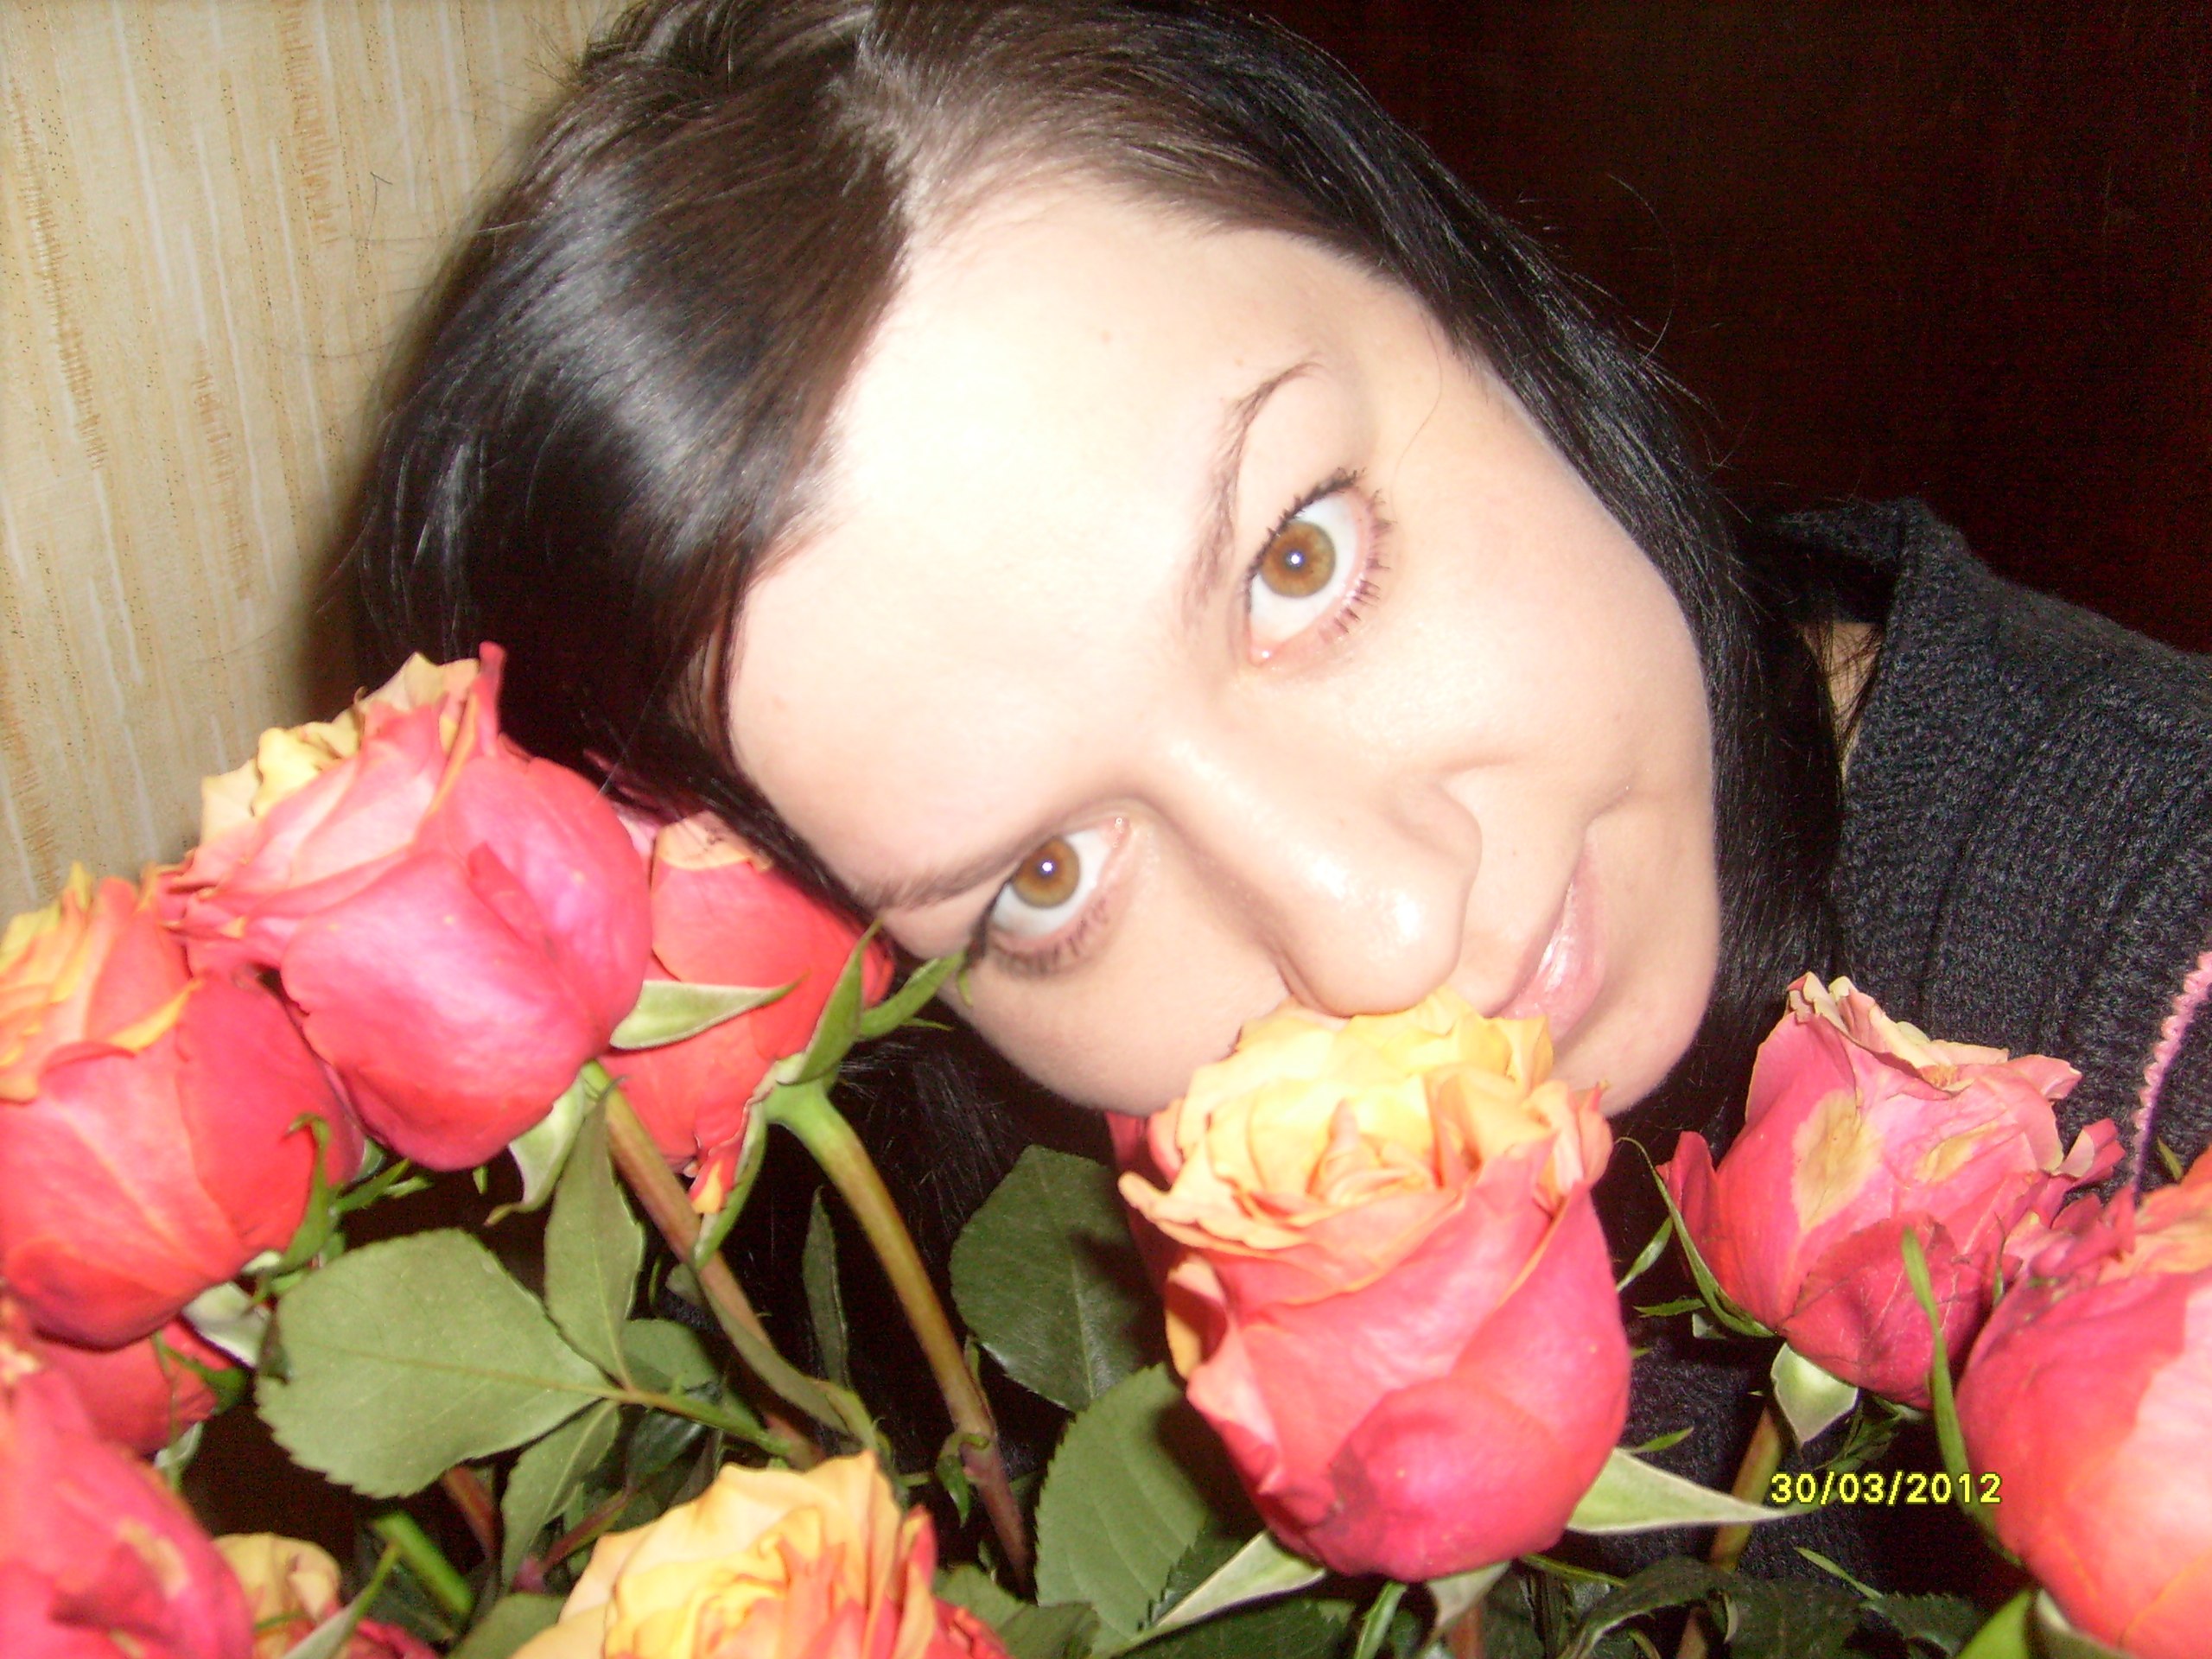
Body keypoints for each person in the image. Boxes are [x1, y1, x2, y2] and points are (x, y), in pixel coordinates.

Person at [345, 0, 2212, 1590]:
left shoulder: (2153, 970)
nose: (1379, 933)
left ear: (1450, 286)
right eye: (1045, 876)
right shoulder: (983, 1370)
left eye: (1298, 560)